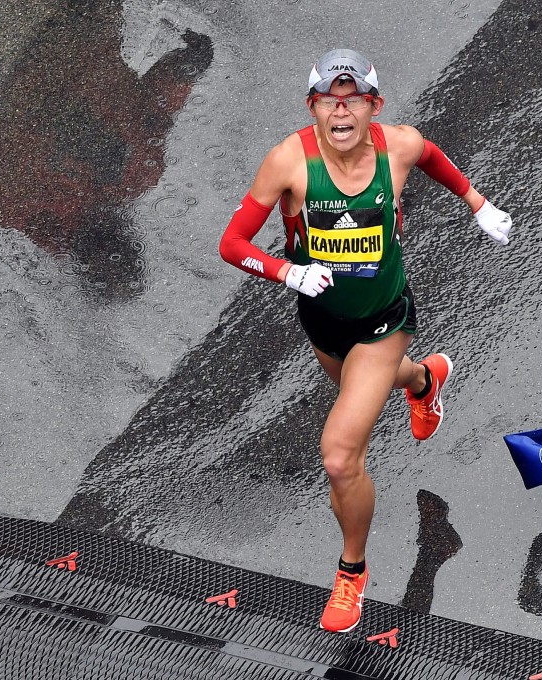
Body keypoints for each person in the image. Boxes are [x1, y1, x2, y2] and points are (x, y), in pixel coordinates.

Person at [218, 48, 512, 633]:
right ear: (314, 107)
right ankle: (424, 378)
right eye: (331, 100)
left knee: (339, 455)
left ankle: (352, 573)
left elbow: (430, 155)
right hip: (323, 323)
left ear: (373, 106)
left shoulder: (396, 147)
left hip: (384, 318)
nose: (342, 110)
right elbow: (232, 243)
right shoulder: (288, 163)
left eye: (354, 100)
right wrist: (287, 272)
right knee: (366, 394)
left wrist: (476, 202)